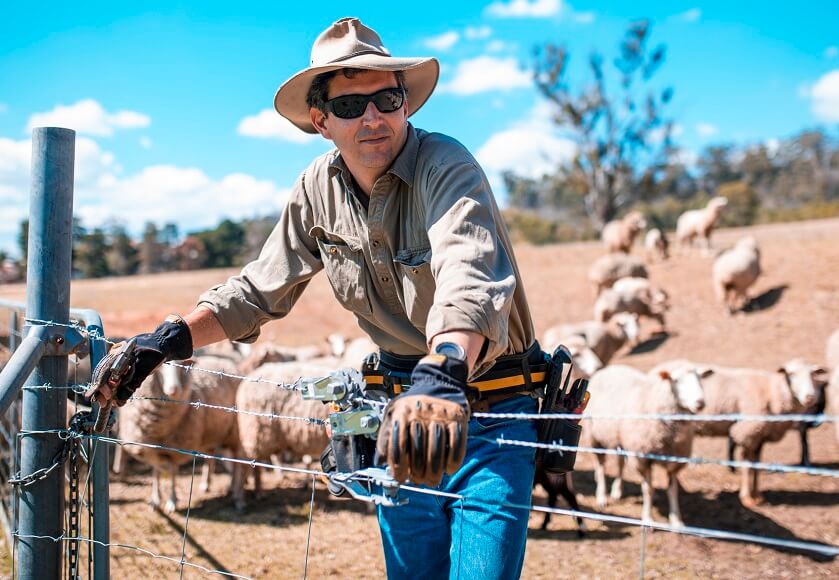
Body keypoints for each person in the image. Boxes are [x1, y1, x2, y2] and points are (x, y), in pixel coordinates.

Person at [92, 18, 548, 579]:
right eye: (351, 106)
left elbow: (468, 271)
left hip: (490, 409)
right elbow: (256, 290)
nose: (373, 117)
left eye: (387, 99)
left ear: (406, 103)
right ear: (321, 121)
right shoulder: (316, 189)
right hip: (397, 415)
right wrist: (167, 341)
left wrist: (446, 366)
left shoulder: (446, 164)